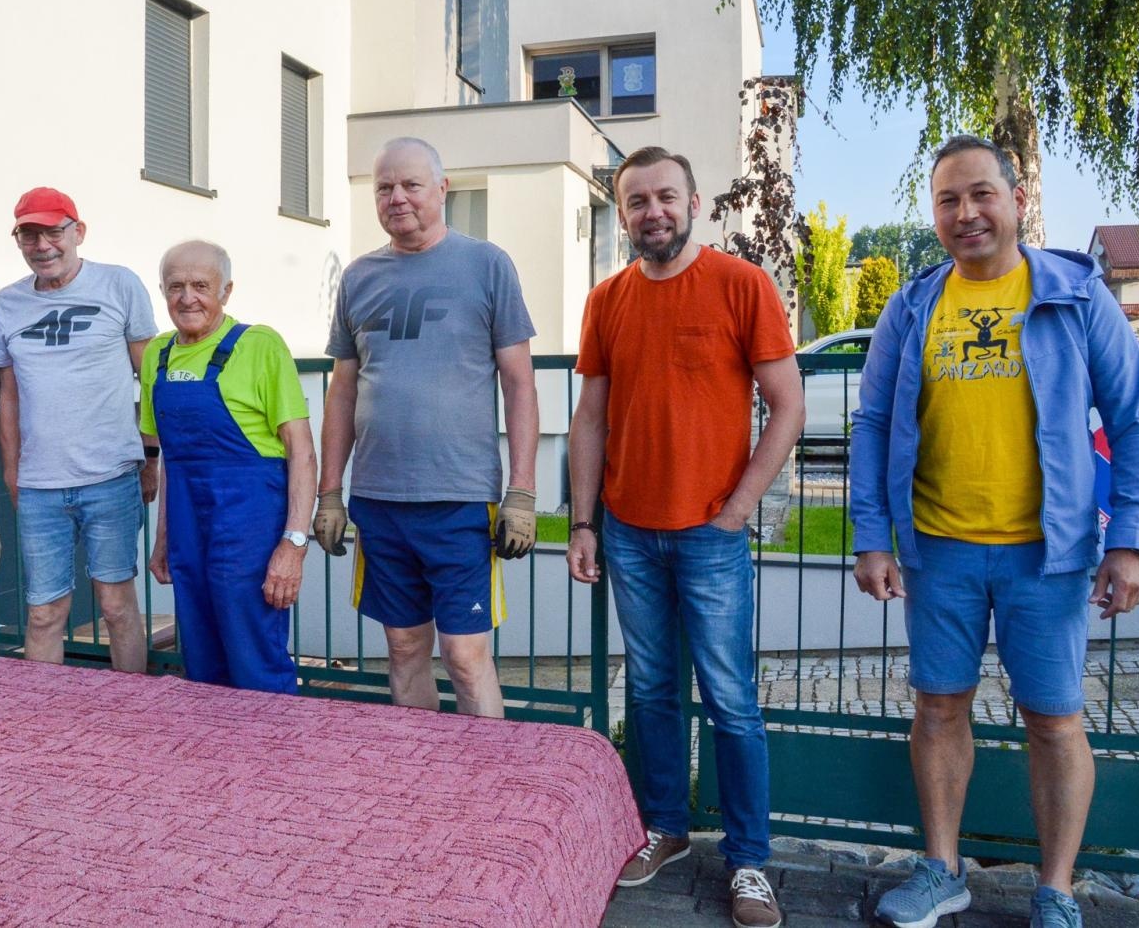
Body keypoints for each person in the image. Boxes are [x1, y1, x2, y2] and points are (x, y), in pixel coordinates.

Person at [852, 135, 1139, 928]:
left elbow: (1133, 421)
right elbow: (876, 422)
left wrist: (1129, 539)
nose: (966, 213)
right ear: (935, 213)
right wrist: (872, 536)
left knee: (1054, 721)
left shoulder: (1075, 293)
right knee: (938, 710)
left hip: (1048, 557)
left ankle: (1055, 891)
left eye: (982, 194)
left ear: (1017, 200)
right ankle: (941, 869)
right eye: (949, 200)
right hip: (940, 551)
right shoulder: (914, 304)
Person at [567, 146, 799, 928]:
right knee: (653, 691)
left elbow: (787, 407)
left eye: (666, 196)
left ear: (695, 203)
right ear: (621, 212)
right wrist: (583, 521)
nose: (652, 212)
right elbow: (590, 417)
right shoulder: (606, 299)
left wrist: (738, 508)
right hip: (629, 530)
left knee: (731, 700)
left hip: (710, 534)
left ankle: (750, 860)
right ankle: (665, 828)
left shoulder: (742, 284)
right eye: (637, 201)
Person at [314, 136, 539, 719]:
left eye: (411, 185)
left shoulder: (487, 265)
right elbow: (343, 389)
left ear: (442, 189)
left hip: (461, 499)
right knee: (403, 646)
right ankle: (423, 786)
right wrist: (330, 494)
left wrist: (522, 492)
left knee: (466, 656)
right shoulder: (360, 277)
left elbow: (519, 384)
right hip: (380, 499)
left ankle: (490, 790)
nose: (397, 198)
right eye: (384, 187)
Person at [0, 186, 159, 672]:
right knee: (44, 614)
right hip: (40, 486)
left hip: (111, 478)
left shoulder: (119, 285)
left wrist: (151, 460)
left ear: (78, 232)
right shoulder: (8, 303)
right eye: (29, 234)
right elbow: (9, 398)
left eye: (53, 231)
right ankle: (46, 727)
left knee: (117, 607)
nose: (43, 245)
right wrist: (11, 474)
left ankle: (131, 718)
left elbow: (149, 383)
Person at [140, 240, 316, 693]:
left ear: (227, 290)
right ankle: (213, 760)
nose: (187, 297)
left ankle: (275, 757)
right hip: (189, 531)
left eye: (201, 285)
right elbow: (172, 461)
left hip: (250, 529)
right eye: (175, 286)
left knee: (254, 653)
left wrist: (293, 544)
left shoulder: (259, 345)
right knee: (199, 657)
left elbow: (301, 451)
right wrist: (164, 538)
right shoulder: (157, 356)